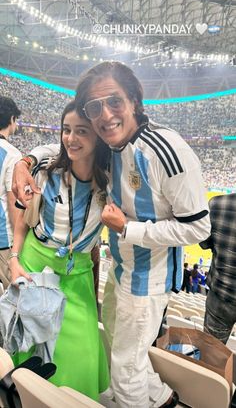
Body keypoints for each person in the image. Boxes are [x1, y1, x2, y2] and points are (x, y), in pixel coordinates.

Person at [12, 62, 210, 408]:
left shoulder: (166, 148)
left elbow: (198, 226)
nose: (105, 115)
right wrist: (23, 161)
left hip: (147, 281)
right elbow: (61, 149)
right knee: (122, 347)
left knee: (125, 368)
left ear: (134, 99)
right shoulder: (111, 151)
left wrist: (127, 229)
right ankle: (163, 399)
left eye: (114, 101)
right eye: (95, 107)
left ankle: (138, 398)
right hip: (118, 273)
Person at [9, 100, 110, 401]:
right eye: (66, 130)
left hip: (77, 277)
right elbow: (22, 215)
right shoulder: (45, 167)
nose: (70, 138)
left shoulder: (112, 179)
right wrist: (14, 259)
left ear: (98, 137)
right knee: (30, 353)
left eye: (81, 131)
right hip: (34, 266)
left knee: (79, 357)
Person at [200, 193, 236, 344]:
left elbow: (203, 243)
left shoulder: (217, 204)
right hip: (220, 295)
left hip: (221, 294)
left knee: (210, 354)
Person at [0, 96, 22, 289]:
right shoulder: (12, 154)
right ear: (12, 119)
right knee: (12, 297)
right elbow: (12, 199)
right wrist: (18, 243)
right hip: (3, 238)